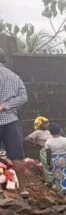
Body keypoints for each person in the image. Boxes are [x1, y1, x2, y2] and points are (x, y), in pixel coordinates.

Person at [0, 48, 29, 193]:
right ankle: (23, 189)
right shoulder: (14, 77)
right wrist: (5, 105)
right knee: (17, 156)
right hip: (11, 120)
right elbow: (23, 97)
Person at [44, 123, 66, 194]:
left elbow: (48, 155)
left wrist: (49, 164)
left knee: (59, 177)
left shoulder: (48, 142)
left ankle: (62, 192)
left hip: (55, 161)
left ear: (50, 132)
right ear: (59, 130)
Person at [27, 116, 53, 184]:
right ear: (40, 124)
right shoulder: (37, 132)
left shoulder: (48, 131)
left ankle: (55, 180)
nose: (46, 125)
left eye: (47, 123)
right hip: (44, 150)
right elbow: (27, 139)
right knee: (47, 166)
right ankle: (49, 182)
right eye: (44, 123)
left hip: (52, 150)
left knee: (53, 165)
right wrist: (37, 143)